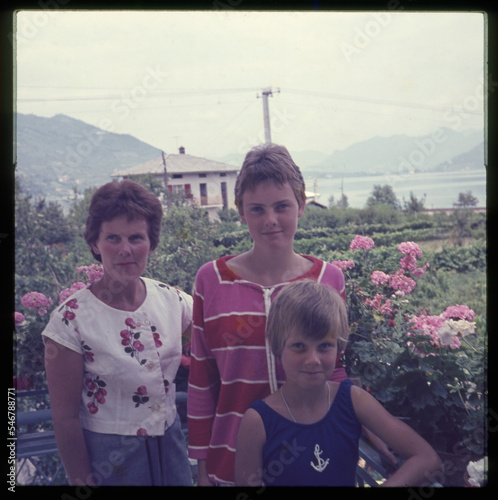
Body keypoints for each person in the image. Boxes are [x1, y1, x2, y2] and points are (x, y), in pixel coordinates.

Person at [187, 143, 346, 486]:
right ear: (241, 212)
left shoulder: (328, 280)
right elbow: (202, 379)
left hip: (311, 459)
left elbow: (335, 371)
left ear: (301, 205)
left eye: (282, 206)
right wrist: (202, 467)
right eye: (257, 209)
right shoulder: (210, 281)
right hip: (229, 463)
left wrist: (367, 432)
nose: (270, 220)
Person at [43, 180, 193, 486]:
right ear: (96, 244)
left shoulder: (173, 302)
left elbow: (211, 349)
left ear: (151, 243)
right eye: (113, 238)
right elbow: (66, 419)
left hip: (172, 449)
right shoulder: (70, 321)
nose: (126, 249)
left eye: (136, 237)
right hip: (110, 461)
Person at [235, 281, 443, 487]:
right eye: (299, 346)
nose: (313, 359)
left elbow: (428, 460)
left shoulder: (353, 399)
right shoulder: (258, 421)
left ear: (339, 346)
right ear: (278, 347)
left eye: (324, 346)